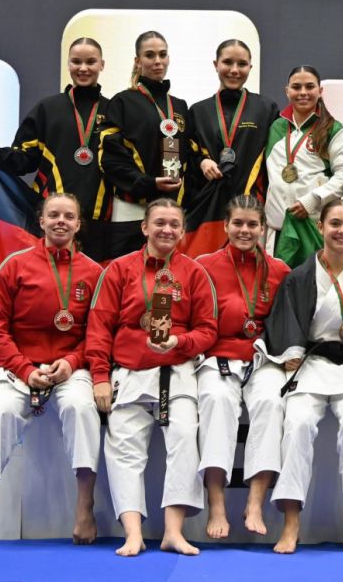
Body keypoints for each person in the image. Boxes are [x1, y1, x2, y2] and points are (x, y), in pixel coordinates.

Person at [0, 193, 103, 546]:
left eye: (69, 216)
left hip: (70, 366)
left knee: (82, 409)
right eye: (53, 215)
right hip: (19, 365)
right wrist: (24, 370)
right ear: (41, 221)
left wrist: (71, 363)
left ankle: (84, 504)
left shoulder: (95, 272)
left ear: (78, 224)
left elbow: (100, 334)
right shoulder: (14, 265)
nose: (61, 222)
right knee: (0, 413)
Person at [86, 198, 217, 557]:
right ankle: (133, 533)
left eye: (174, 224)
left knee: (185, 438)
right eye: (159, 222)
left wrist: (181, 341)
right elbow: (99, 328)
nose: (167, 230)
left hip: (176, 371)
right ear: (144, 227)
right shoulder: (118, 270)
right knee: (123, 449)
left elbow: (208, 330)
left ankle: (174, 530)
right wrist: (99, 376)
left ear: (183, 231)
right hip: (129, 371)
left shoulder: (193, 273)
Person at [259, 199, 343, 554]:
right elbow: (287, 320)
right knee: (298, 422)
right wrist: (291, 352)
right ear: (320, 227)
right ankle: (291, 520)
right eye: (335, 223)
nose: (342, 231)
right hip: (313, 363)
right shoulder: (301, 275)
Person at [194, 195, 292, 538]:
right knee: (217, 402)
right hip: (217, 355)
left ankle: (255, 501)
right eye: (238, 223)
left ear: (264, 229)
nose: (245, 230)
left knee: (270, 402)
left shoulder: (280, 270)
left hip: (262, 358)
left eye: (253, 224)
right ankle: (216, 503)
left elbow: (287, 324)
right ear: (226, 226)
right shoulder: (203, 266)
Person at [0, 38, 113, 261]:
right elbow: (25, 160)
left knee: (92, 287)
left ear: (102, 64)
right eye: (76, 61)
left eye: (91, 62)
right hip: (53, 221)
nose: (83, 68)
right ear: (68, 64)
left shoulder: (114, 110)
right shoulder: (47, 109)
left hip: (100, 221)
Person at [99, 31, 200, 257]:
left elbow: (192, 154)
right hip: (131, 209)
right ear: (137, 61)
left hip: (171, 212)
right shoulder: (122, 102)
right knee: (129, 280)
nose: (157, 61)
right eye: (149, 55)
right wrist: (149, 183)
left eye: (162, 55)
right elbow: (110, 158)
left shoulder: (180, 106)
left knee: (166, 280)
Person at [183, 40, 279, 257]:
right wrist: (202, 162)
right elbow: (188, 152)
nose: (234, 70)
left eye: (242, 64)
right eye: (227, 62)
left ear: (250, 68)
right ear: (216, 64)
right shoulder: (198, 111)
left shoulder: (266, 108)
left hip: (251, 205)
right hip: (209, 208)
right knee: (208, 267)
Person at [263, 66, 343, 264]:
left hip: (312, 227)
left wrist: (313, 200)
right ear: (287, 91)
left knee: (314, 288)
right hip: (277, 230)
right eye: (296, 87)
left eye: (309, 86)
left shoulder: (334, 129)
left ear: (320, 91)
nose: (303, 92)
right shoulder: (275, 127)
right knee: (278, 291)